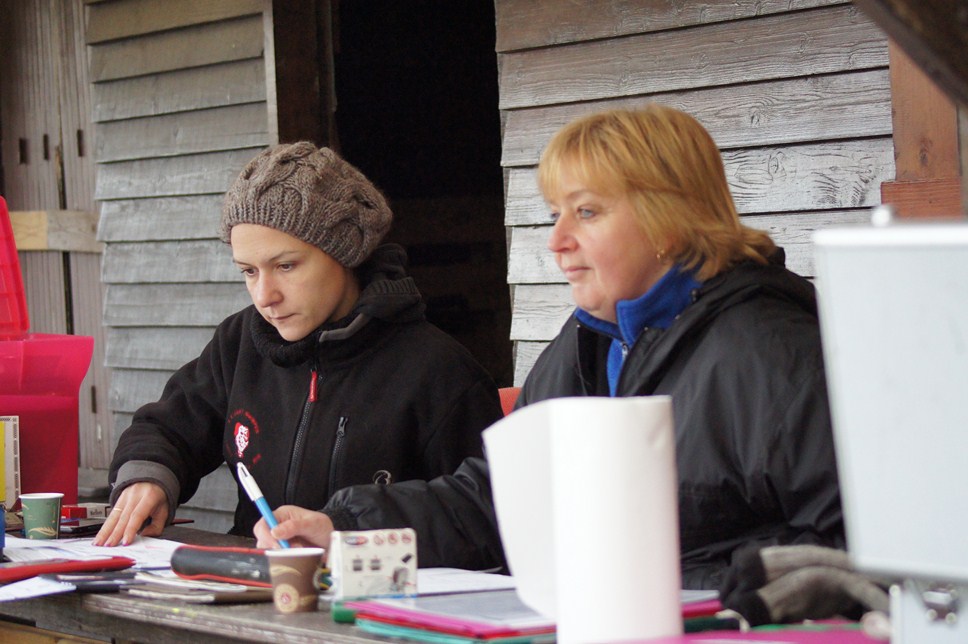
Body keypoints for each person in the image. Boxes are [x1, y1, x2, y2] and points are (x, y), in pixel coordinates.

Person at [252, 106, 845, 590]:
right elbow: (499, 498)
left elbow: (854, 548)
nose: (557, 241)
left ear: (669, 219)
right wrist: (344, 528)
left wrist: (692, 586)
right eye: (557, 213)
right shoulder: (585, 341)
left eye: (585, 212)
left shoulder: (773, 354)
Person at [94, 142, 503, 547]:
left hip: (375, 605)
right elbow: (169, 426)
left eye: (285, 266)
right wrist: (149, 476)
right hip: (254, 597)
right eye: (249, 271)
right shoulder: (239, 344)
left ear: (346, 252)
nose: (264, 295)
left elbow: (481, 518)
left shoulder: (440, 374)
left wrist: (350, 532)